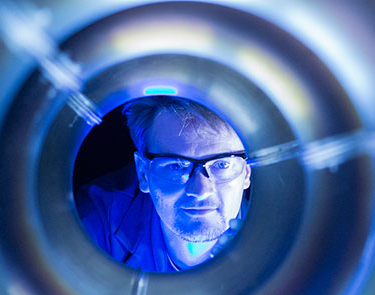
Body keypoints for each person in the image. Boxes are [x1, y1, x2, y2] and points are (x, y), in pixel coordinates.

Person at [76, 96, 251, 272]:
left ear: (246, 172)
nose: (200, 190)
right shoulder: (94, 226)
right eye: (176, 166)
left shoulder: (276, 243)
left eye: (222, 164)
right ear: (143, 173)